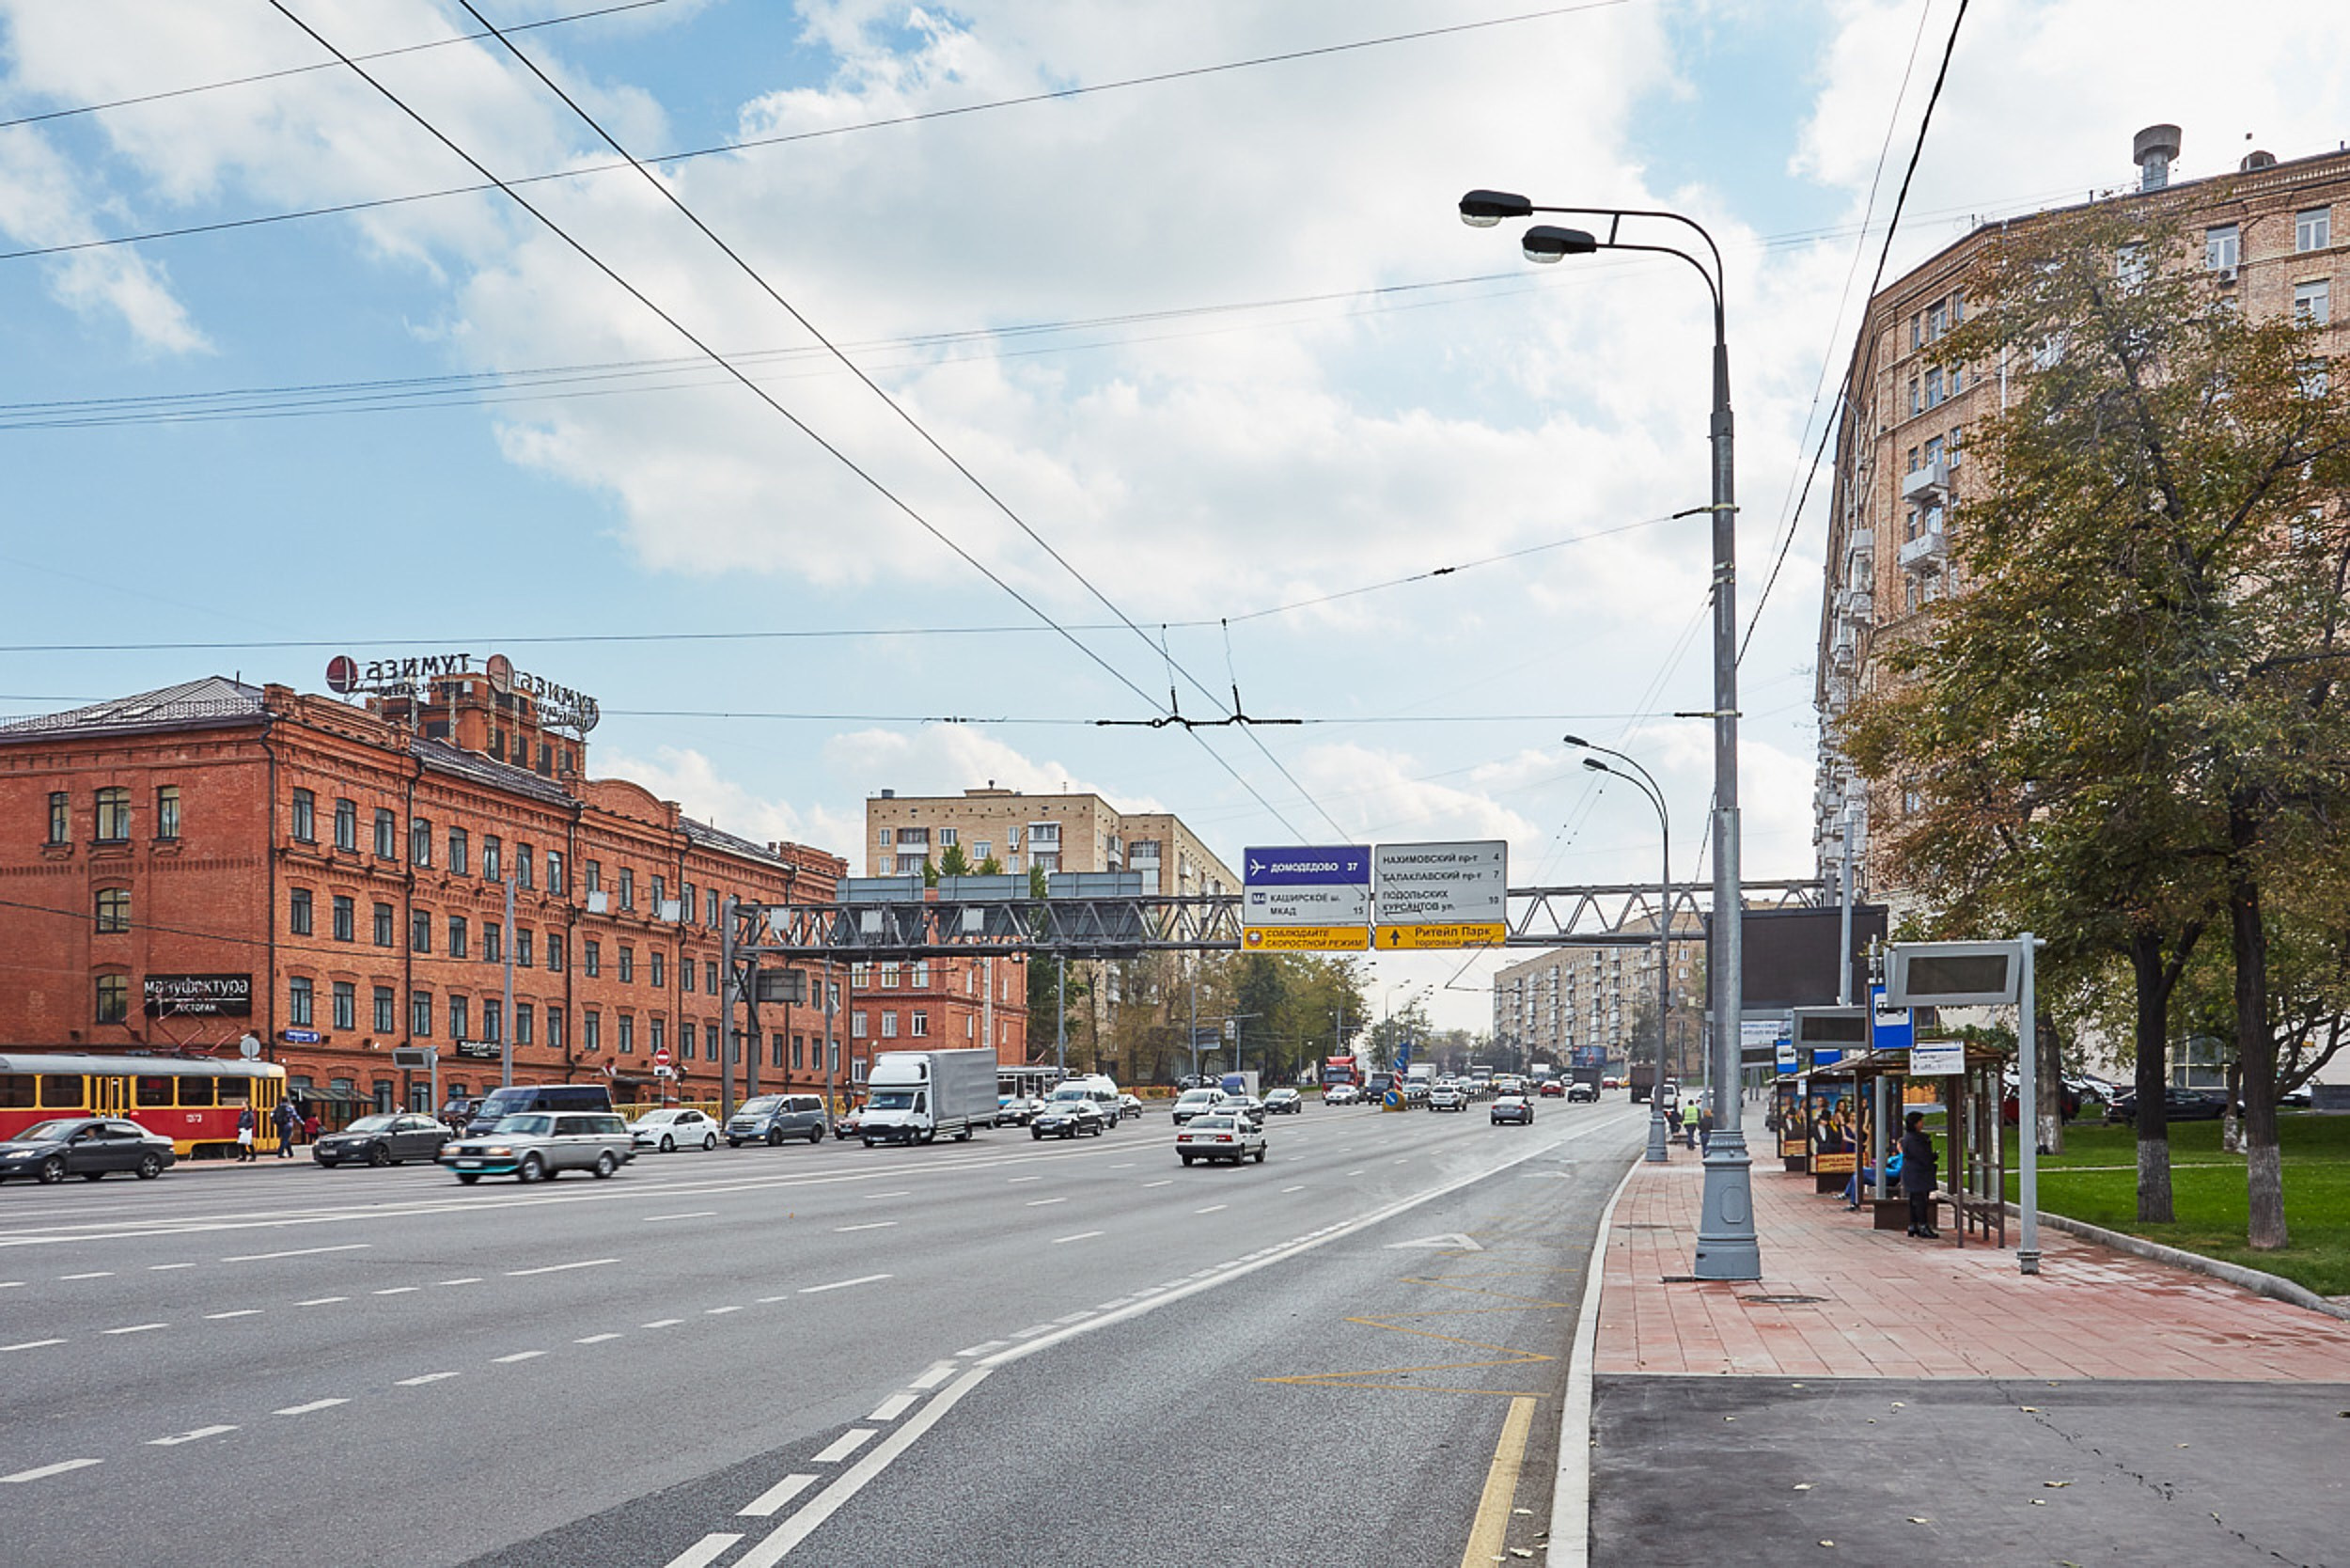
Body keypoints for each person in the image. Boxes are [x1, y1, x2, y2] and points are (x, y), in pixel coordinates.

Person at [1900, 1110, 1940, 1238]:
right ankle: (1923, 1226)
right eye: (1920, 1121)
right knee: (1921, 1200)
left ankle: (1913, 1225)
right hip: (1919, 1174)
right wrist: (1933, 1156)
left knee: (1914, 1199)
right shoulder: (1917, 1139)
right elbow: (1923, 1156)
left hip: (1911, 1172)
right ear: (1916, 1123)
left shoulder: (1907, 1138)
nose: (1922, 1123)